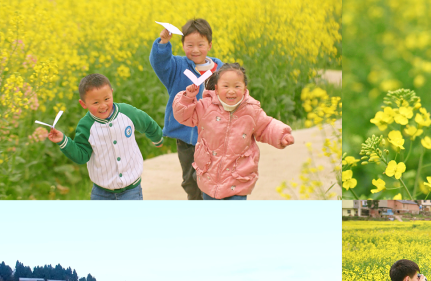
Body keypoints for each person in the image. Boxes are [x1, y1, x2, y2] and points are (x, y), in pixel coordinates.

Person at [172, 63, 294, 200]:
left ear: (244, 89)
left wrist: (282, 135)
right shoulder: (205, 106)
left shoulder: (251, 110)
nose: (231, 91)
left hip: (238, 180)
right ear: (216, 89)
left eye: (237, 86)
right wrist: (188, 97)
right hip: (209, 178)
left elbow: (266, 126)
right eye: (226, 86)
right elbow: (183, 116)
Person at [47, 74, 163, 200]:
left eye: (107, 99)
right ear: (83, 104)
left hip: (131, 189)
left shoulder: (127, 112)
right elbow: (81, 155)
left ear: (112, 93)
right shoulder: (86, 126)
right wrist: (64, 141)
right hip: (101, 193)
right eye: (96, 102)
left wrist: (157, 138)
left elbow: (147, 123)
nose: (103, 106)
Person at [150, 18, 223, 200]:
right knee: (189, 181)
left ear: (210, 45)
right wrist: (164, 42)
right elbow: (160, 63)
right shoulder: (177, 67)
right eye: (190, 45)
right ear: (182, 45)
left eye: (200, 44)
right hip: (185, 138)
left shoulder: (220, 70)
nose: (195, 50)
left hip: (211, 139)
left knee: (208, 178)